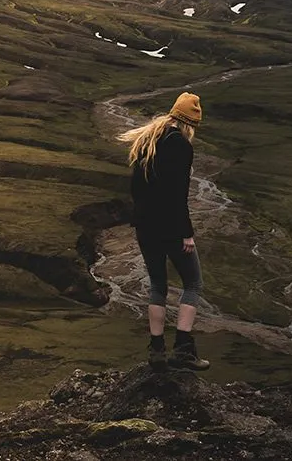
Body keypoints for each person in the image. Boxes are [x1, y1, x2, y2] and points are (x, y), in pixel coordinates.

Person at [118, 92, 209, 372]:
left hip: (145, 226)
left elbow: (136, 188)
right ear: (189, 123)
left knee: (158, 285)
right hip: (170, 226)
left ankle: (156, 351)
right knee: (193, 283)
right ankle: (183, 350)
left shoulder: (147, 140)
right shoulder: (180, 145)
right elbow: (177, 195)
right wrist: (186, 233)